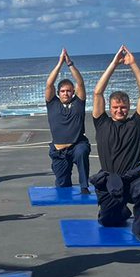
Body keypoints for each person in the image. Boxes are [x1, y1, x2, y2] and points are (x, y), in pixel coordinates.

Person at [91, 47, 140, 240]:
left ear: (128, 108)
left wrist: (133, 64)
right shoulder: (101, 123)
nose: (119, 110)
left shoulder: (135, 124)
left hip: (132, 180)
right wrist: (114, 64)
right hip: (110, 182)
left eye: (123, 107)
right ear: (110, 109)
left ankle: (139, 230)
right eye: (116, 107)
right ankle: (121, 211)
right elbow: (97, 93)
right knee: (108, 221)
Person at [44, 48, 91, 191]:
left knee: (82, 151)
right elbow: (49, 84)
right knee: (63, 185)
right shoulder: (52, 103)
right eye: (63, 91)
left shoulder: (78, 103)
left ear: (73, 92)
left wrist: (70, 64)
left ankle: (84, 186)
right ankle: (64, 179)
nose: (66, 93)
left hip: (77, 145)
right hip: (59, 151)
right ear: (58, 93)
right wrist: (59, 64)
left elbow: (80, 83)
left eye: (69, 90)